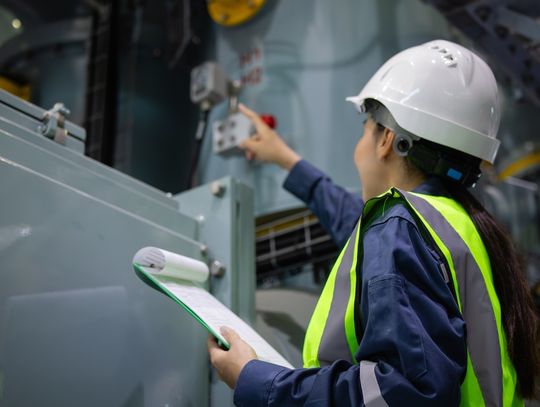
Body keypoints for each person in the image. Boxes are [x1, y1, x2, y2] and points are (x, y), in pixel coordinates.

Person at [207, 39, 540, 406]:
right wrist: (287, 159)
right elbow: (356, 226)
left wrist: (257, 380)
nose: (360, 143)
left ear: (387, 140)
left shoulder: (398, 225)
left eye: (364, 127)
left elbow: (403, 392)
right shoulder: (462, 228)